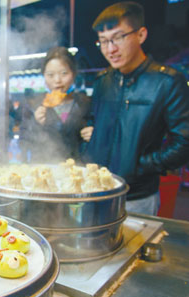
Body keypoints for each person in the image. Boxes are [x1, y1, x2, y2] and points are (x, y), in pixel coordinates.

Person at [83, 2, 189, 215]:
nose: (110, 49)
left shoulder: (166, 81)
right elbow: (92, 119)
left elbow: (184, 141)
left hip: (136, 197)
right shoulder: (103, 80)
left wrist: (143, 165)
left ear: (141, 35)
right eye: (103, 41)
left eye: (119, 38)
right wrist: (90, 134)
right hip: (94, 191)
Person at [28, 46, 91, 162]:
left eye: (64, 73)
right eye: (50, 75)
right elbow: (24, 140)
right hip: (45, 168)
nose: (57, 80)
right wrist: (36, 124)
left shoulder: (85, 103)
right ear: (44, 76)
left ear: (73, 74)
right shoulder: (35, 104)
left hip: (77, 170)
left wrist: (93, 134)